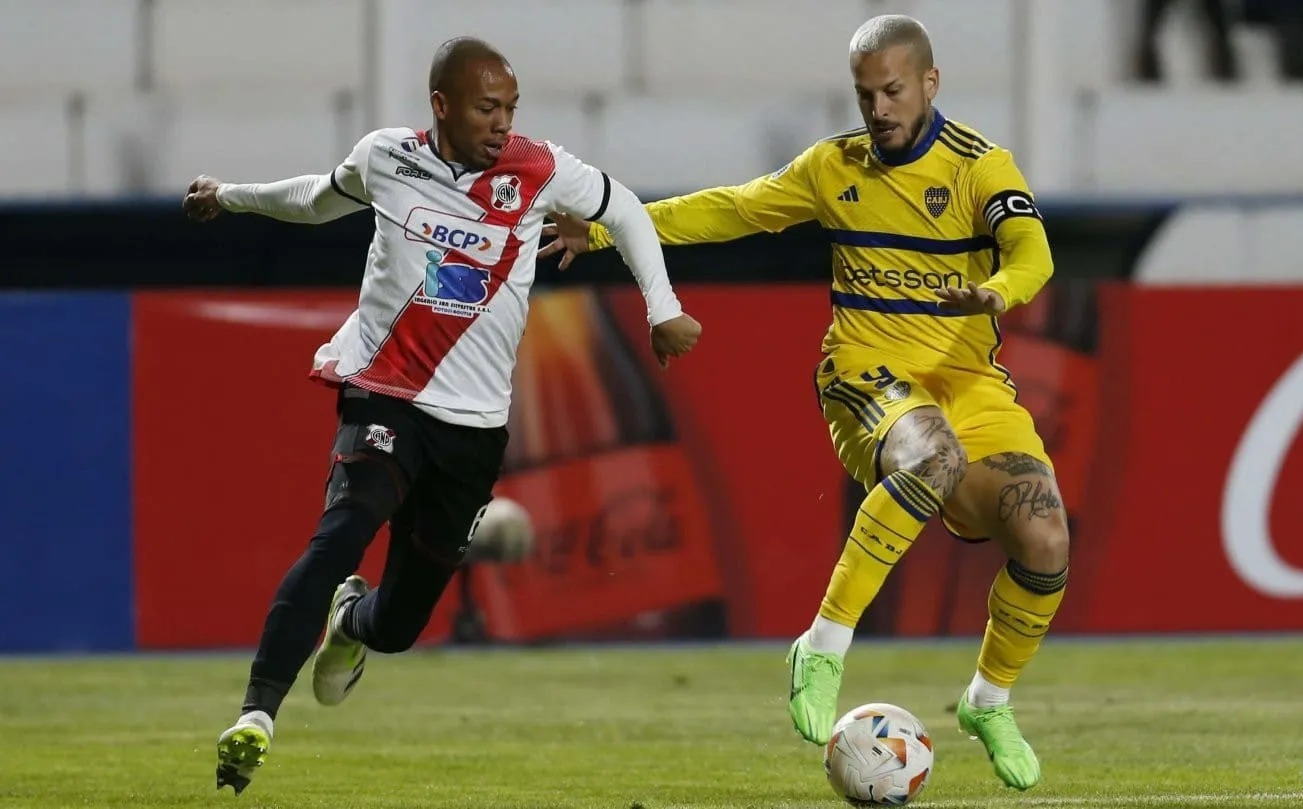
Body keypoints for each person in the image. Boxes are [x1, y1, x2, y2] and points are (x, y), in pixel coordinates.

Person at [541, 15, 1066, 791]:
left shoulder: (978, 167)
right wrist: (607, 229)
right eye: (864, 94)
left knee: (1044, 536)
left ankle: (987, 700)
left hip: (971, 382)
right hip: (866, 372)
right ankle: (821, 647)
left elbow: (1033, 250)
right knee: (933, 457)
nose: (878, 109)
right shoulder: (833, 167)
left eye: (893, 91)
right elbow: (730, 208)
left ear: (929, 83)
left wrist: (996, 290)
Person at [182, 36, 702, 795]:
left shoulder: (538, 169)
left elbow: (623, 209)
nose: (503, 123)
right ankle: (256, 715)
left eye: (510, 107)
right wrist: (228, 195)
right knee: (340, 533)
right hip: (385, 392)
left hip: (473, 429)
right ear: (442, 105)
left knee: (398, 627)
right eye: (487, 108)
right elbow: (316, 199)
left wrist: (663, 309)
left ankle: (352, 623)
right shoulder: (386, 157)